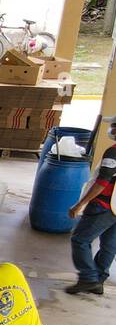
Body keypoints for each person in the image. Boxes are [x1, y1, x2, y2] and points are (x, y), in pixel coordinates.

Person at [65, 117, 116, 295]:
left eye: (114, 126)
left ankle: (88, 278)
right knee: (109, 245)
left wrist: (80, 204)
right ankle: (99, 280)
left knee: (80, 239)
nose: (112, 129)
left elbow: (102, 182)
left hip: (104, 205)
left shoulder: (113, 152)